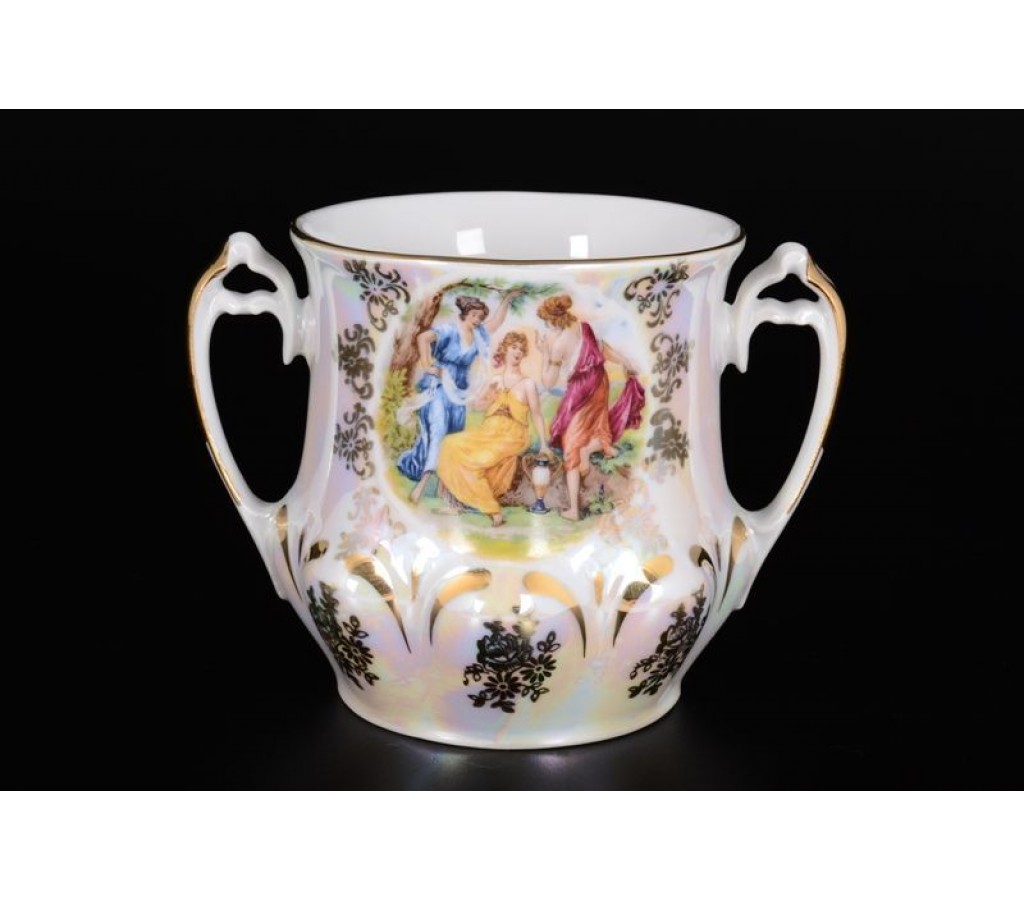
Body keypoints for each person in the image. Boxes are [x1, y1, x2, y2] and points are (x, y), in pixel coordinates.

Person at [398, 290, 519, 502]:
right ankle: (421, 486)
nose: (478, 320)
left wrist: (507, 299)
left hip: (459, 393)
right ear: (465, 314)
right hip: (439, 387)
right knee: (438, 432)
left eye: (480, 317)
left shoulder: (479, 335)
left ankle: (443, 489)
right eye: (474, 315)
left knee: (453, 437)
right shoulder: (449, 330)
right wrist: (427, 364)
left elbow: (497, 321)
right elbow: (422, 337)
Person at [536, 294, 645, 520]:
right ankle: (590, 449)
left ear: (553, 320)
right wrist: (626, 362)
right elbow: (604, 351)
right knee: (597, 426)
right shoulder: (585, 327)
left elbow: (547, 382)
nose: (547, 327)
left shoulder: (558, 345)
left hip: (580, 391)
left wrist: (545, 353)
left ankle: (574, 510)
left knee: (571, 446)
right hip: (599, 383)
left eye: (546, 322)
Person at [437, 332, 549, 527]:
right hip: (487, 431)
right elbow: (478, 406)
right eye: (514, 347)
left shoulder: (528, 384)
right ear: (505, 349)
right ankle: (458, 501)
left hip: (512, 435)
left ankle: (493, 511)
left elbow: (537, 415)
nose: (518, 352)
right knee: (449, 443)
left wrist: (544, 445)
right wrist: (486, 397)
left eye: (521, 350)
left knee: (477, 460)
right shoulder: (494, 380)